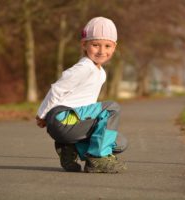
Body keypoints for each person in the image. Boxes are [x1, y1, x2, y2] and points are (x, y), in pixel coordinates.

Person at [36, 16, 127, 173]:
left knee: (119, 142)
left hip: (74, 122)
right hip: (63, 118)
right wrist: (42, 114)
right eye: (95, 45)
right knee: (112, 108)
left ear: (114, 47)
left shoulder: (100, 72)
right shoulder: (83, 68)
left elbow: (89, 106)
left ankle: (70, 148)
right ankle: (97, 159)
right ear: (84, 45)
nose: (102, 51)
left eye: (107, 46)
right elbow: (57, 89)